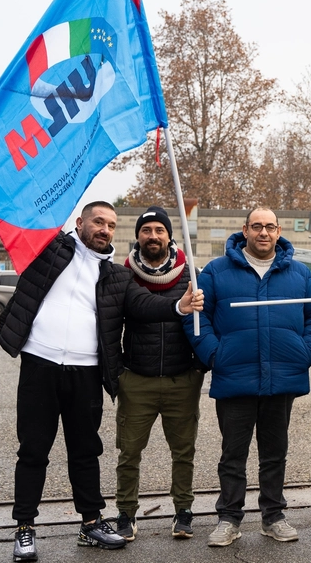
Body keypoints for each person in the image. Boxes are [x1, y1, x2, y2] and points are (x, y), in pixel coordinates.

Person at [0, 142, 204, 562]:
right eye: (98, 221)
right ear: (80, 222)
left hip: (86, 373)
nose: (105, 229)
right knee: (33, 450)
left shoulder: (116, 276)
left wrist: (177, 305)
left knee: (86, 451)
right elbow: (4, 213)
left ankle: (91, 524)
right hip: (40, 365)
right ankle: (25, 529)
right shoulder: (48, 249)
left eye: (111, 224)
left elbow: (143, 306)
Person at [186, 208, 311, 548]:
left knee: (275, 452)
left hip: (281, 377)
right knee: (232, 454)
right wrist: (214, 354)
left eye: (269, 226)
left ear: (279, 231)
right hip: (235, 376)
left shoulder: (299, 273)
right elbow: (196, 317)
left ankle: (273, 516)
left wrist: (305, 351)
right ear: (245, 230)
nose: (263, 232)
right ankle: (229, 518)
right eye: (257, 226)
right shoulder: (217, 271)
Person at [113, 206, 205, 542]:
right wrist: (120, 371)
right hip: (137, 379)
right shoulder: (122, 274)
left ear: (169, 235)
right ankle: (126, 514)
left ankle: (183, 511)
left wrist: (199, 366)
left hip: (183, 379)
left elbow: (206, 322)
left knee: (183, 451)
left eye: (159, 230)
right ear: (137, 236)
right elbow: (110, 324)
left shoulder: (190, 274)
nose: (153, 236)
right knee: (129, 452)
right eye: (147, 230)